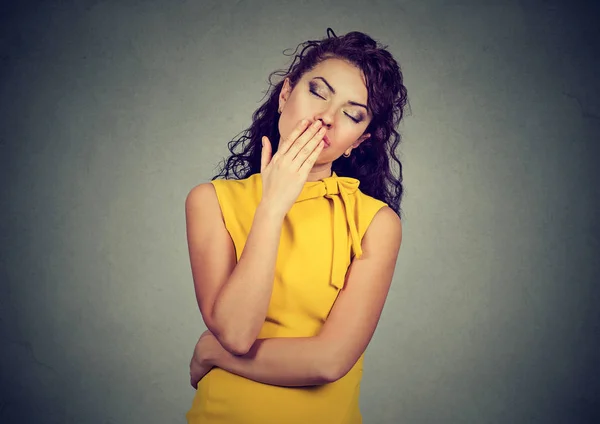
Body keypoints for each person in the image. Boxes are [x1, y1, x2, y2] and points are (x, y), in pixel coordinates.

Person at [184, 28, 408, 424]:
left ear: (360, 139)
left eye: (352, 113)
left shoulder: (376, 223)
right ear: (286, 93)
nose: (326, 118)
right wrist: (272, 207)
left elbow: (328, 362)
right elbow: (236, 332)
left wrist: (213, 353)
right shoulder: (211, 201)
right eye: (318, 92)